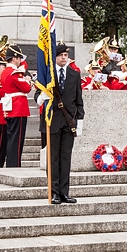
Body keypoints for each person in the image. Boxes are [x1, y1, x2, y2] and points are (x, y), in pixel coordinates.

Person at [35, 42, 85, 205]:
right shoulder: (47, 75)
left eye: (66, 55)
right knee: (53, 158)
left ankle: (64, 192)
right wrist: (42, 96)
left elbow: (79, 100)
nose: (64, 58)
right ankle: (54, 192)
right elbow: (37, 95)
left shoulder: (74, 74)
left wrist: (80, 122)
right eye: (61, 55)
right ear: (54, 57)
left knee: (66, 158)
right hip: (52, 120)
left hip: (68, 122)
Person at [1, 44, 32, 167]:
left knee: (12, 138)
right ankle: (14, 164)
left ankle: (12, 163)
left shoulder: (5, 72)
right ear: (14, 58)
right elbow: (26, 88)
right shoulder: (14, 73)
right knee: (17, 139)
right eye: (19, 58)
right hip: (18, 108)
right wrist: (28, 81)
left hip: (10, 107)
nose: (20, 61)